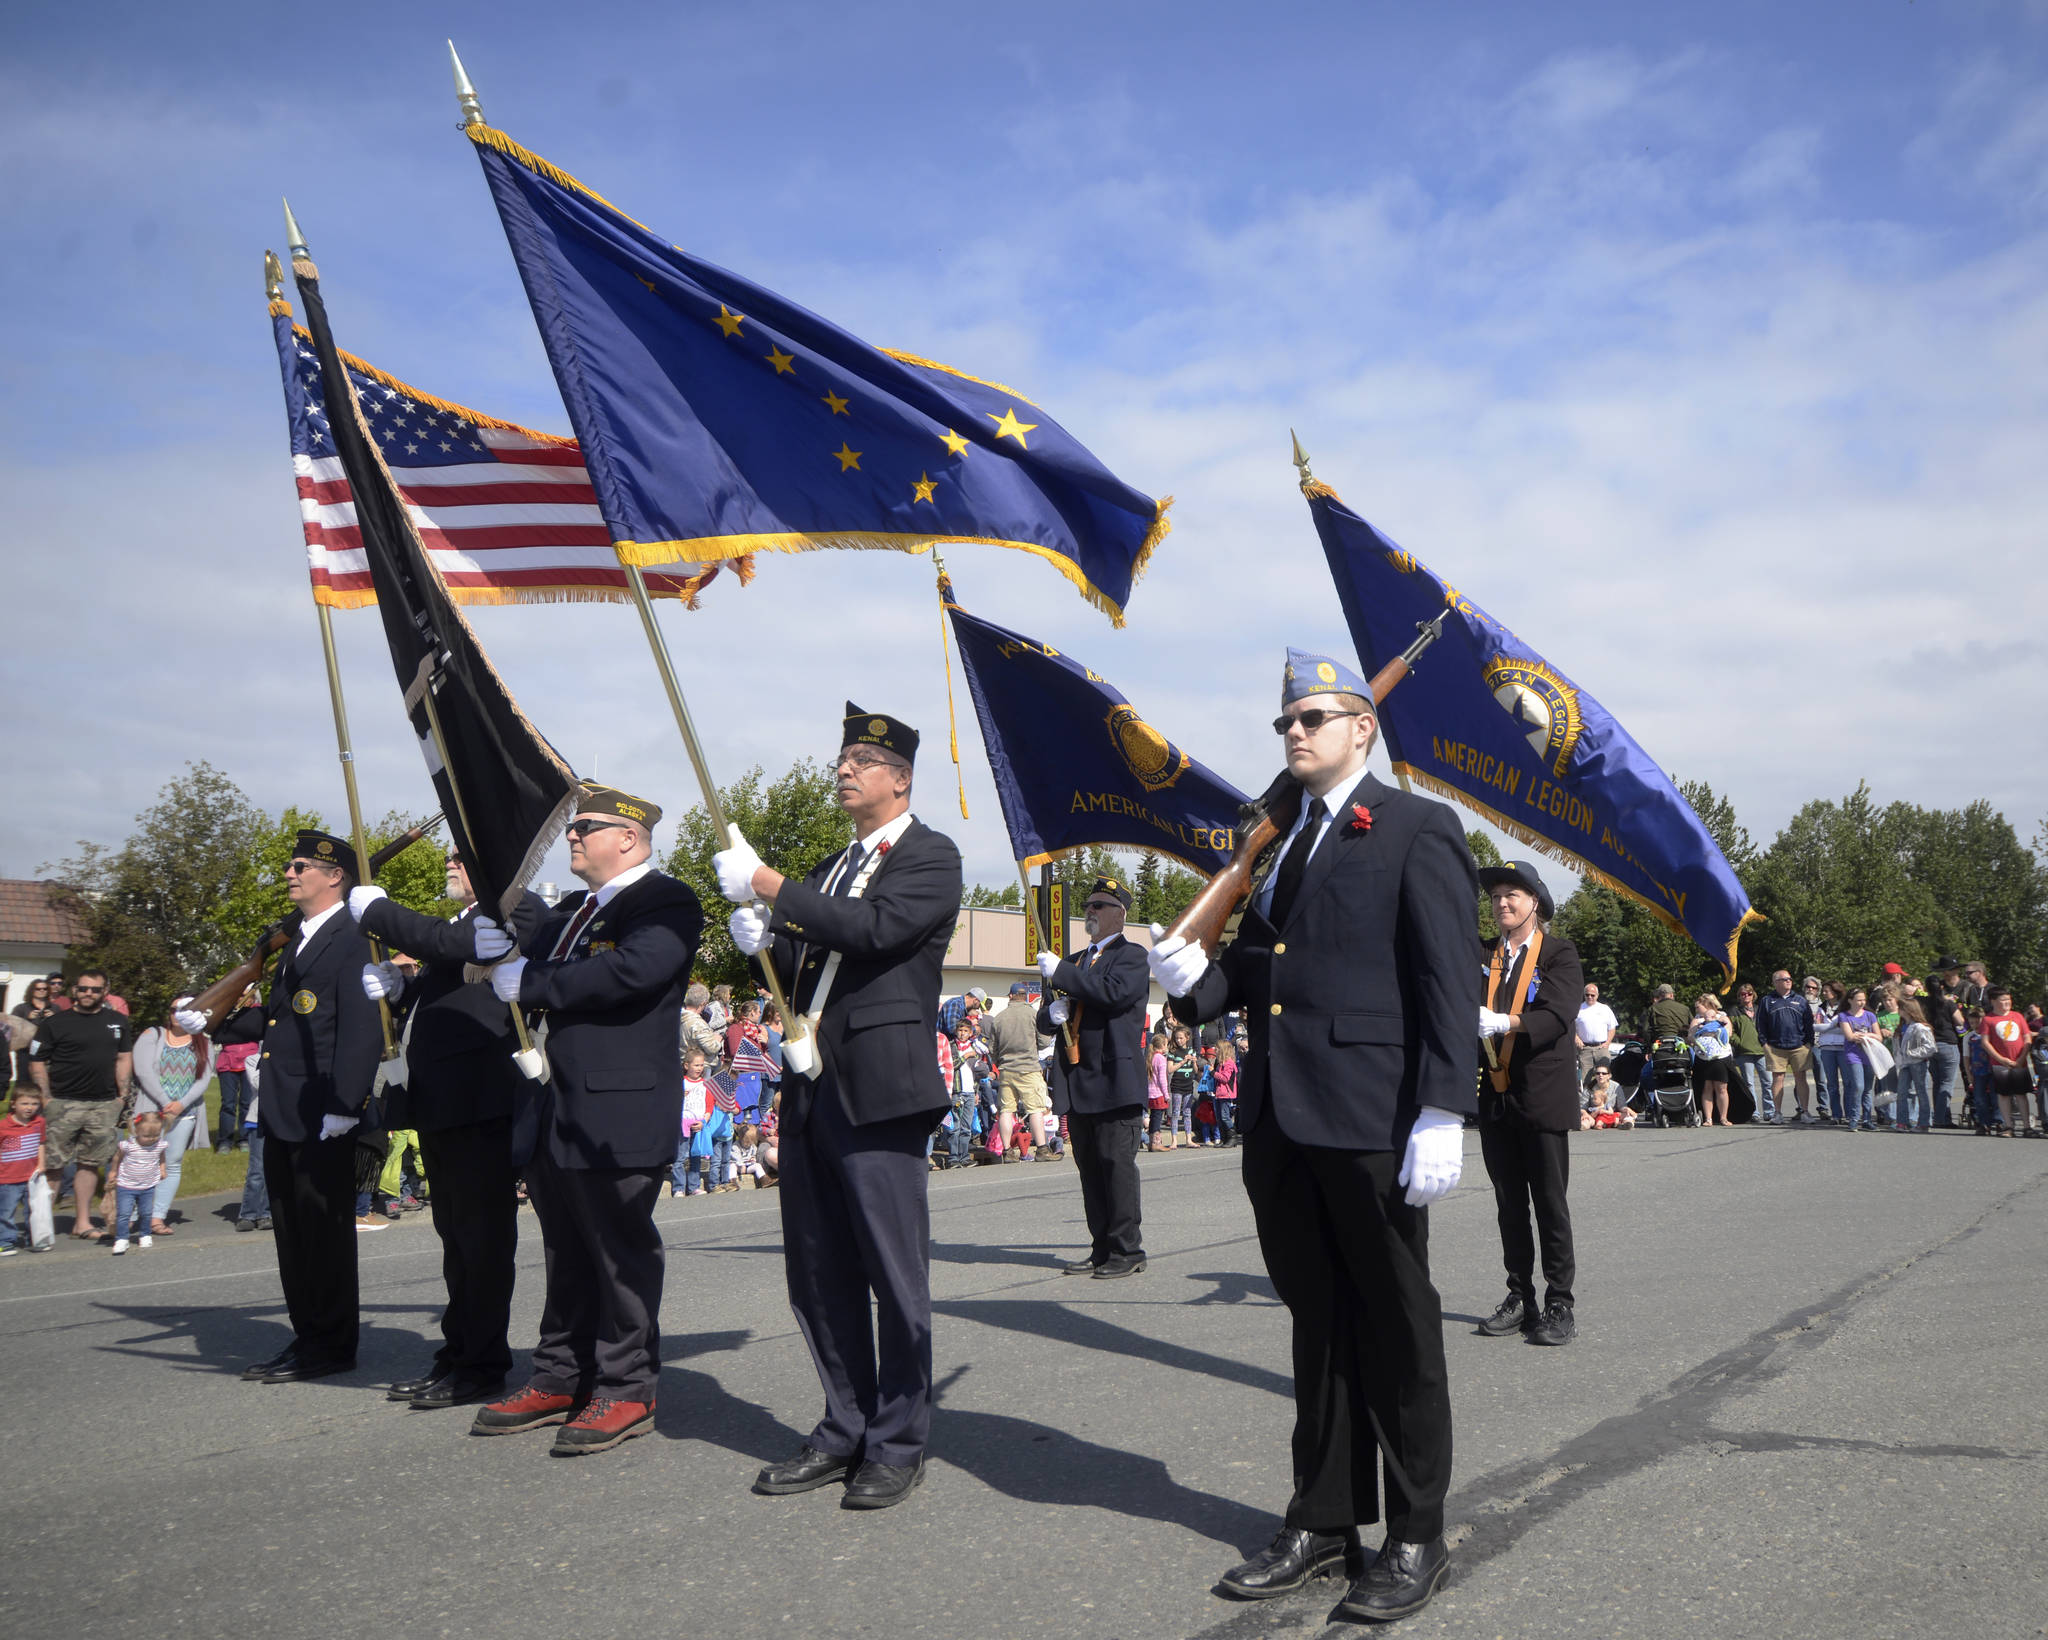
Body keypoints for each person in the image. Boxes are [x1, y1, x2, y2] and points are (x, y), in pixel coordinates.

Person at [1151, 648, 1480, 1622]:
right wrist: (1190, 983)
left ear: (1360, 729)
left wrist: (1440, 1106)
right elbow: (1260, 973)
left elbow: (1442, 976)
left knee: (1395, 1323)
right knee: (1317, 1323)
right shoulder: (1283, 845)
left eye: (1315, 717)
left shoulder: (1417, 826)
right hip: (1282, 1116)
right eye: (1286, 721)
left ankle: (1413, 1531)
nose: (1295, 733)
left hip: (1374, 1114)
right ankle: (1323, 1518)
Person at [719, 703, 962, 1512]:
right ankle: (843, 1425)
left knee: (893, 1277)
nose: (845, 768)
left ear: (900, 778)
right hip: (810, 1083)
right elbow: (803, 965)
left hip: (879, 1088)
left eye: (863, 758)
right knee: (818, 1272)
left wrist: (770, 884)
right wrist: (762, 938)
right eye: (843, 756)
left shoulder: (931, 855)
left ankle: (897, 1441)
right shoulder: (828, 866)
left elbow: (876, 930)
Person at [473, 785, 703, 1455]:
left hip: (618, 1108)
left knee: (619, 1254)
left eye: (587, 827)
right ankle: (558, 1375)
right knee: (565, 1251)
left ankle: (626, 1388)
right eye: (573, 828)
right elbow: (520, 950)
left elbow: (634, 969)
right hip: (556, 1106)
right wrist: (491, 939)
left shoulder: (664, 900)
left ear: (629, 837)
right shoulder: (573, 909)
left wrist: (536, 982)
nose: (573, 836)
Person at [350, 851, 544, 1412]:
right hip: (443, 1103)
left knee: (481, 1242)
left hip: (483, 1103)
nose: (451, 862)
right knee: (455, 1240)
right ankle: (459, 1350)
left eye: (463, 854)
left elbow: (449, 947)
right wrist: (401, 991)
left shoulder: (520, 911)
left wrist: (380, 912)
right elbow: (453, 989)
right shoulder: (463, 924)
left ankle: (482, 1364)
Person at [188, 831, 382, 1380]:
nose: (291, 874)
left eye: (301, 867)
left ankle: (331, 1346)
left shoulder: (354, 936)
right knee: (294, 1237)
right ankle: (307, 1338)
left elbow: (360, 1028)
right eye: (292, 866)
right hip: (284, 1107)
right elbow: (280, 1019)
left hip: (324, 1111)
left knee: (325, 1236)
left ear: (334, 875)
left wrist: (346, 1103)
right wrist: (215, 1020)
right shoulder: (297, 939)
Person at [1473, 861, 1585, 1339]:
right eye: (1496, 895)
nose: (1501, 903)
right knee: (1508, 1203)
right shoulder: (1482, 953)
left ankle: (1560, 1301)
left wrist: (1507, 1023)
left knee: (1549, 1201)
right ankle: (1520, 1294)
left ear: (1534, 902)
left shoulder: (1559, 953)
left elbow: (1558, 1013)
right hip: (1495, 1094)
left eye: (1511, 895)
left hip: (1540, 1095)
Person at [1036, 875, 1151, 1277]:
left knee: (1116, 1165)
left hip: (1114, 1080)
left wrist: (1062, 975)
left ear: (1119, 914)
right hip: (1078, 1078)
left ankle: (1127, 1250)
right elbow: (1046, 1013)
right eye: (1088, 904)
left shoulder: (1132, 955)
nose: (1090, 910)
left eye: (1100, 904)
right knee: (1090, 1168)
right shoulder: (1071, 962)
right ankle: (1101, 1246)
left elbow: (1113, 992)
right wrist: (1049, 1015)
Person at [30, 968, 133, 1242]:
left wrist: (121, 1097)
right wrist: (46, 1097)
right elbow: (36, 1060)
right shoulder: (55, 1023)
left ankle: (83, 1222)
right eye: (83, 988)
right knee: (53, 1165)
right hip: (62, 1103)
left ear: (105, 991)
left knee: (90, 1164)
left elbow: (124, 1058)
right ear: (75, 990)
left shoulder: (118, 1021)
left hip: (103, 1104)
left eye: (95, 989)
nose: (88, 993)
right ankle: (40, 1226)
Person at [129, 998, 213, 1235]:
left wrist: (181, 1104)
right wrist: (166, 1103)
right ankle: (132, 1215)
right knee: (142, 1162)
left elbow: (204, 1079)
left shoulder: (204, 1042)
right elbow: (143, 1071)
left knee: (172, 1164)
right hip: (151, 1113)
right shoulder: (152, 1035)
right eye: (174, 1009)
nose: (177, 1014)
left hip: (185, 1113)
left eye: (184, 1010)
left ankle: (157, 1217)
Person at [988, 981, 1054, 1161]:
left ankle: (1007, 1151)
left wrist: (1000, 1061)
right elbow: (1045, 1042)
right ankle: (1042, 1149)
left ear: (1010, 996)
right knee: (1035, 1109)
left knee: (1007, 1110)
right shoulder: (1034, 1015)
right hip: (1029, 1068)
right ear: (1025, 997)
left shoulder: (999, 1017)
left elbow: (992, 1049)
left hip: (1007, 1069)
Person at [1756, 970, 1816, 1123]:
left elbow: (1809, 1023)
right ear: (1776, 982)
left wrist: (1809, 1043)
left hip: (1799, 1046)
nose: (1788, 981)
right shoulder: (1767, 1000)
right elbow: (1761, 1024)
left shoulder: (1801, 1000)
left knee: (1801, 1078)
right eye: (1784, 979)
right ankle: (1777, 1113)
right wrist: (1764, 1043)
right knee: (1777, 1079)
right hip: (1776, 1047)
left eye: (1790, 979)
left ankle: (1805, 1112)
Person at [108, 1110, 168, 1255]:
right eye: (147, 1136)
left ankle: (145, 1234)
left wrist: (162, 1169)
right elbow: (117, 1158)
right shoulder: (128, 1145)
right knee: (124, 1213)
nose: (151, 1139)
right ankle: (122, 1238)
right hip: (126, 1185)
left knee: (146, 1212)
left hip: (147, 1185)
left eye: (155, 1135)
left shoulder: (159, 1145)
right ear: (136, 1130)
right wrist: (113, 1172)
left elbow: (161, 1157)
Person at [1979, 989, 2035, 1137]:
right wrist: (2000, 1059)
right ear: (1993, 1001)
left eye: (2008, 1000)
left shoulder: (2017, 1016)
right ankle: (2008, 1126)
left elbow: (2027, 1037)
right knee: (2004, 1095)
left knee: (2021, 1094)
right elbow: (1985, 1042)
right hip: (2000, 1063)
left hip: (2019, 1061)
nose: (2006, 1003)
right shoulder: (1988, 1019)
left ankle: (2027, 1127)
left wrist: (2022, 1057)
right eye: (2002, 1000)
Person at [0, 1086, 47, 1255]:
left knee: (33, 1211)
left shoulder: (39, 1122)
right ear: (13, 1104)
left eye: (34, 1103)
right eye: (24, 1103)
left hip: (31, 1176)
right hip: (7, 1178)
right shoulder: (4, 1126)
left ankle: (34, 1239)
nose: (29, 1107)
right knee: (6, 1212)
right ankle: (5, 1241)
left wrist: (41, 1164)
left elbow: (41, 1143)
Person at [212, 994, 260, 1152]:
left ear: (253, 998)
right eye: (239, 996)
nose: (242, 999)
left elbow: (255, 1031)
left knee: (247, 1103)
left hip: (249, 1064)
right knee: (228, 1104)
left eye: (246, 996)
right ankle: (225, 1140)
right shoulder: (226, 1012)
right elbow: (218, 1035)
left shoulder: (257, 1013)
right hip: (228, 1063)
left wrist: (235, 1033)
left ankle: (244, 1138)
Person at [1924, 958, 1967, 1128]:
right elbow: (1960, 1021)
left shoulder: (1923, 1003)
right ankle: (1942, 1117)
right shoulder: (1948, 1003)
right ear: (1941, 987)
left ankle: (1938, 1116)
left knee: (1937, 1082)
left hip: (1930, 1044)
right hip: (1948, 1043)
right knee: (1947, 1083)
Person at [1836, 987, 1880, 1133]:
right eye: (1858, 1000)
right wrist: (1865, 1035)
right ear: (1850, 1000)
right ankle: (1854, 1118)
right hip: (1853, 1054)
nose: (1862, 1003)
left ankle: (1867, 1119)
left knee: (1867, 1088)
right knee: (1858, 1086)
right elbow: (1850, 1037)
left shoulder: (1870, 1015)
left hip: (1869, 1053)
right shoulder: (1844, 1016)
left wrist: (1864, 1036)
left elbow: (1878, 1036)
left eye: (1863, 1000)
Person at [1726, 983, 1773, 1123]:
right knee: (1749, 1083)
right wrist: (1739, 1043)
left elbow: (1768, 1027)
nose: (1746, 996)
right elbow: (1730, 1032)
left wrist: (1767, 1042)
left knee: (1768, 1082)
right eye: (1742, 994)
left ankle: (1770, 1111)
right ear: (1739, 996)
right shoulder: (1734, 1011)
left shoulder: (1760, 1009)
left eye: (1749, 993)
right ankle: (1754, 1112)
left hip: (1762, 1051)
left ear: (1753, 994)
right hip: (1743, 1053)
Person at [1688, 994, 1734, 1127]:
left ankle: (1723, 1117)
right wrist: (1698, 1031)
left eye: (1698, 1007)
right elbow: (1690, 1037)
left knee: (1721, 1088)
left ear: (1707, 1005)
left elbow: (1728, 1034)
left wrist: (1714, 1028)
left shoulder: (1723, 1018)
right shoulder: (1697, 1021)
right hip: (1703, 1057)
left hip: (1720, 1057)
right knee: (1706, 1087)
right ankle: (1708, 1118)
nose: (1696, 1010)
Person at [1893, 995, 1937, 1132]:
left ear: (1909, 1010)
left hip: (1918, 1063)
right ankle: (1902, 1121)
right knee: (1901, 1092)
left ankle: (1924, 1122)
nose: (1899, 1010)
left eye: (1901, 1008)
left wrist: (1912, 1053)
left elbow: (1931, 1047)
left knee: (1921, 1091)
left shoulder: (1920, 1027)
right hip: (1905, 1064)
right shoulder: (1902, 1027)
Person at [1573, 983, 1618, 1086]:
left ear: (1597, 995)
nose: (1590, 997)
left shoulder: (1605, 1009)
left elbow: (1612, 1028)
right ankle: (1586, 1101)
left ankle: (1605, 1101)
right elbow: (1571, 1027)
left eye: (1592, 995)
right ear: (1584, 995)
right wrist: (1576, 1038)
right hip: (1585, 1049)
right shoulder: (1578, 1009)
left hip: (1601, 1048)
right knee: (1585, 1081)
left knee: (1604, 1079)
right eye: (1587, 995)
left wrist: (1607, 1043)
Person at [1144, 1028, 1172, 1152]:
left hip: (1150, 1093)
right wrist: (1166, 1094)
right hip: (1158, 1093)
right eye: (1166, 1044)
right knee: (1157, 1118)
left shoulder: (1152, 1057)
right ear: (1162, 1046)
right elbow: (1162, 1079)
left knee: (1154, 1117)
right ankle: (1156, 1142)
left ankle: (1151, 1142)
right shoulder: (1160, 1058)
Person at [1213, 1040, 1240, 1145]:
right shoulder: (1220, 1064)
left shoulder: (1229, 1063)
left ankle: (1232, 1137)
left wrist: (1213, 1073)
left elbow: (1225, 1078)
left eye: (1217, 1048)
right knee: (1219, 1117)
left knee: (1225, 1116)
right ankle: (1224, 1138)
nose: (1215, 1050)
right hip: (1219, 1093)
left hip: (1226, 1094)